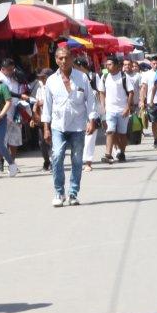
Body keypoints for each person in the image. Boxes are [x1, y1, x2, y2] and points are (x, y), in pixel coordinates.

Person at [43, 47, 97, 207]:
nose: (64, 61)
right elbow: (47, 106)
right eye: (60, 58)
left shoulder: (82, 77)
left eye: (66, 58)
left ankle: (73, 193)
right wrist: (46, 128)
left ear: (72, 58)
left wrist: (92, 120)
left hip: (78, 126)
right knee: (57, 156)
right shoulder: (51, 81)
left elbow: (91, 101)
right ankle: (59, 193)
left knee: (76, 160)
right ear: (56, 60)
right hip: (58, 126)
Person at [97, 56, 134, 163]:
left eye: (110, 64)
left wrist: (127, 107)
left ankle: (122, 152)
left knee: (122, 134)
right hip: (110, 110)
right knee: (110, 131)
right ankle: (108, 154)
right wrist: (103, 107)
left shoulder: (124, 77)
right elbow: (101, 92)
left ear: (117, 65)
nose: (107, 66)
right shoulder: (104, 77)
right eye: (106, 64)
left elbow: (131, 92)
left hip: (122, 111)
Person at [0, 59, 29, 171]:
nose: (11, 71)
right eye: (9, 70)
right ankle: (0, 161)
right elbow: (4, 92)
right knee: (2, 140)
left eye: (12, 69)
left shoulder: (16, 76)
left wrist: (21, 77)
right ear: (2, 69)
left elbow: (25, 86)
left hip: (16, 111)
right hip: (2, 112)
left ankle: (12, 164)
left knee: (14, 139)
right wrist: (20, 96)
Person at [31, 68, 54, 171]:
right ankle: (46, 160)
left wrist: (43, 102)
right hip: (41, 118)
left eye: (43, 76)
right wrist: (34, 115)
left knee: (53, 141)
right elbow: (36, 101)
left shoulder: (54, 87)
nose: (41, 79)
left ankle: (55, 161)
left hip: (53, 117)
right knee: (42, 142)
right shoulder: (40, 88)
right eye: (41, 77)